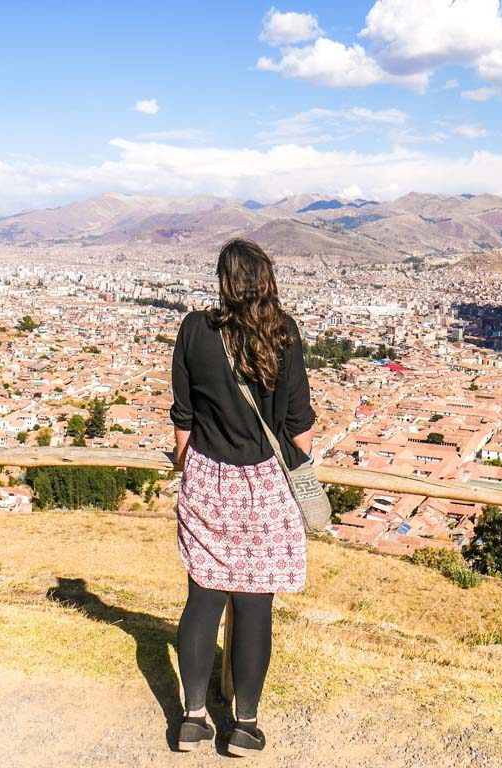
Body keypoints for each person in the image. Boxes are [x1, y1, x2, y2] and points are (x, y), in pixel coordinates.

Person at [169, 238, 315, 756]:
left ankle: (191, 718)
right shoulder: (285, 335)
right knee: (255, 605)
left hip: (208, 477)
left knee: (203, 597)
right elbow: (298, 427)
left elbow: (183, 419)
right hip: (266, 484)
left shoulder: (193, 331)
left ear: (223, 281)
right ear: (265, 278)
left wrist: (186, 466)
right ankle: (245, 724)